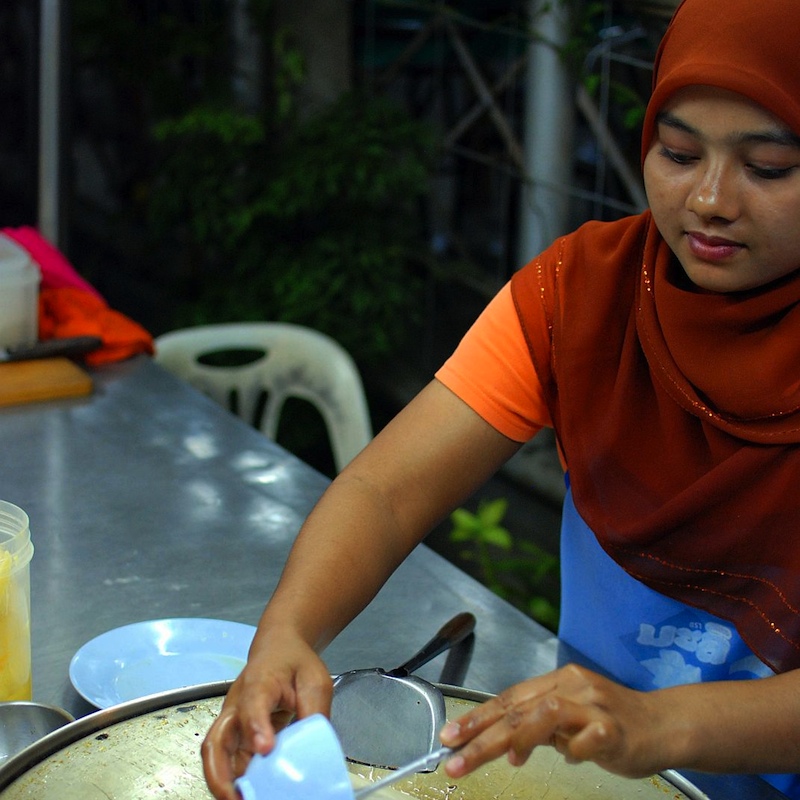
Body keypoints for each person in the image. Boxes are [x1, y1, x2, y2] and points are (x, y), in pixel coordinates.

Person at [202, 0, 800, 797]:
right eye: (678, 151)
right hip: (602, 778)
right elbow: (385, 491)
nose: (710, 200)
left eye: (766, 168)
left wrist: (656, 724)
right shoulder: (581, 298)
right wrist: (285, 633)